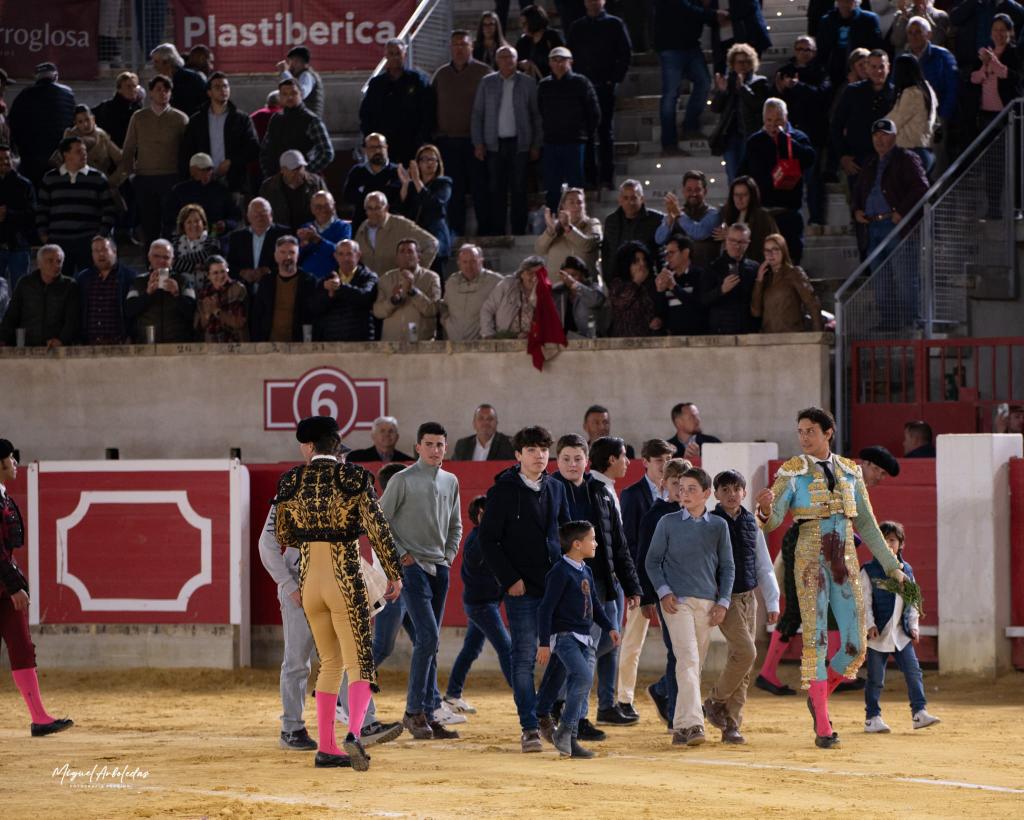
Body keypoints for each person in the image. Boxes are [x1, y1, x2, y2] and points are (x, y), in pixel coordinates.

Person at [756, 407, 908, 748]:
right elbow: (774, 519)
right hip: (809, 557)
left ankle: (818, 696)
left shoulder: (850, 472)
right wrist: (765, 509)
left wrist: (890, 565)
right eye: (800, 431)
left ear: (828, 433)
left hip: (844, 560)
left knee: (855, 645)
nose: (804, 437)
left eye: (810, 430)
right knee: (817, 638)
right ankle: (823, 725)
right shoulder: (792, 472)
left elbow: (867, 524)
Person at [273, 415, 404, 769]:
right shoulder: (355, 477)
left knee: (329, 663)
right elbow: (378, 529)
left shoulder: (291, 481)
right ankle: (354, 735)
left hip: (308, 581)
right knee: (359, 661)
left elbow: (282, 535)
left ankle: (326, 748)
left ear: (309, 447)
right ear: (336, 445)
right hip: (344, 577)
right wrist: (393, 573)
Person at [480, 425, 571, 752]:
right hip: (522, 589)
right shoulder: (503, 491)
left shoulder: (556, 488)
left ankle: (542, 710)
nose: (539, 455)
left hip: (555, 586)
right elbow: (488, 541)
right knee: (523, 659)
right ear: (518, 455)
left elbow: (565, 535)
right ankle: (530, 727)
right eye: (532, 450)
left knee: (565, 652)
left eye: (544, 449)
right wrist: (509, 579)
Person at [551, 436, 642, 729]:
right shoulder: (550, 490)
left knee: (604, 642)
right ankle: (575, 715)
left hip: (602, 581)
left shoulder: (600, 491)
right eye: (566, 459)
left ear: (586, 461)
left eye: (577, 459)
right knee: (586, 649)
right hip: (568, 585)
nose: (572, 464)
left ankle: (558, 698)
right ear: (557, 461)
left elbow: (617, 542)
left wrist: (631, 585)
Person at [380, 422, 463, 740]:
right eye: (429, 444)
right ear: (417, 447)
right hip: (411, 568)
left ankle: (425, 712)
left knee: (430, 642)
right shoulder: (401, 481)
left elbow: (455, 525)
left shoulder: (450, 481)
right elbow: (379, 521)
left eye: (440, 444)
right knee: (428, 638)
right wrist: (401, 554)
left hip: (439, 568)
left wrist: (449, 556)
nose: (435, 450)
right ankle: (415, 712)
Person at [645, 466, 735, 746]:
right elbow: (652, 561)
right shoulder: (667, 522)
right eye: (681, 489)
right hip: (677, 602)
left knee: (693, 666)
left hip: (707, 603)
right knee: (688, 659)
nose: (684, 494)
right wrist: (663, 592)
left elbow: (728, 567)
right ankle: (694, 724)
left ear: (707, 494)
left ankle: (681, 727)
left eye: (691, 489)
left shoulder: (718, 526)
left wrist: (723, 601)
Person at [0, 439, 73, 737]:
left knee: (22, 648)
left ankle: (39, 717)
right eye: (9, 458)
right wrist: (16, 584)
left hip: (4, 587)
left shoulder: (3, 496)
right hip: (5, 585)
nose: (15, 462)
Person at [702, 470, 780, 744]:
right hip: (726, 598)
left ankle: (731, 725)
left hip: (748, 597)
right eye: (726, 490)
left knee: (743, 661)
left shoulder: (750, 522)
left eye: (737, 489)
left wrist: (771, 600)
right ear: (716, 494)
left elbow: (763, 564)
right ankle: (715, 700)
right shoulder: (710, 522)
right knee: (746, 652)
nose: (732, 494)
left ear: (744, 493)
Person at [537, 520, 621, 758]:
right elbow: (545, 609)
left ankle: (569, 738)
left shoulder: (586, 569)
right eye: (591, 539)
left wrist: (609, 627)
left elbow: (594, 602)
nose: (595, 543)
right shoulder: (560, 572)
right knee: (582, 677)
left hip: (585, 638)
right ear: (576, 544)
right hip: (565, 637)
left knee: (578, 682)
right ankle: (565, 730)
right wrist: (544, 643)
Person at [862, 520, 941, 732]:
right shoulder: (869, 571)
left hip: (900, 632)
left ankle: (919, 712)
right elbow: (864, 602)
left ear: (901, 544)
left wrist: (914, 626)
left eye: (892, 540)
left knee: (913, 672)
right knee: (876, 679)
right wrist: (869, 625)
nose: (888, 545)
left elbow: (914, 600)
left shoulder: (907, 569)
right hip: (879, 634)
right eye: (884, 540)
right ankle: (872, 717)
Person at [614, 439, 674, 717]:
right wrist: (638, 586)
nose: (664, 465)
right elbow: (630, 545)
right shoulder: (632, 495)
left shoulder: (676, 493)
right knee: (633, 640)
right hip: (641, 580)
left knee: (678, 642)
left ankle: (668, 692)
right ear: (646, 462)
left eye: (668, 460)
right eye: (659, 460)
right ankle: (624, 699)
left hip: (671, 580)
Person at [445, 495, 513, 713]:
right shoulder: (479, 541)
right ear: (482, 515)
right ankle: (526, 696)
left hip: (482, 603)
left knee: (471, 649)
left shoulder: (485, 539)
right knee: (506, 647)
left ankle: (452, 695)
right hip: (481, 605)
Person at [637, 457, 691, 727]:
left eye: (685, 484)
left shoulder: (694, 514)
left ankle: (662, 691)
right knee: (678, 651)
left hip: (692, 592)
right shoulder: (654, 516)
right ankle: (674, 711)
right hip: (666, 593)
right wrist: (647, 597)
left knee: (685, 651)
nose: (680, 490)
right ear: (664, 484)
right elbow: (645, 559)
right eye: (675, 484)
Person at [851, 118, 929, 306]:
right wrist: (856, 211)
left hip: (896, 226)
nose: (879, 139)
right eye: (876, 135)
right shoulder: (870, 163)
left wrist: (901, 212)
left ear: (894, 137)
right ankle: (886, 322)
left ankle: (911, 322)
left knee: (904, 278)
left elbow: (921, 187)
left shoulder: (906, 158)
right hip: (872, 226)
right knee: (880, 279)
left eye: (884, 135)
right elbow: (858, 192)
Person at [470, 46, 542, 236]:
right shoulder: (487, 83)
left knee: (519, 189)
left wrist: (535, 144)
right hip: (494, 145)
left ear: (516, 60)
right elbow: (478, 114)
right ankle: (498, 231)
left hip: (520, 144)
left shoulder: (527, 83)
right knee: (496, 190)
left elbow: (536, 115)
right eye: (502, 57)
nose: (506, 60)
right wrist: (478, 142)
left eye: (510, 57)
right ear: (497, 60)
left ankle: (519, 230)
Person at [116, 75, 189, 247]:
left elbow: (186, 150)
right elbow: (129, 148)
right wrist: (129, 175)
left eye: (166, 90)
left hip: (171, 178)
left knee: (170, 227)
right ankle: (151, 267)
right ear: (150, 93)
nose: (162, 93)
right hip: (145, 179)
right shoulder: (139, 117)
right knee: (149, 227)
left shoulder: (180, 119)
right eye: (158, 90)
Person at [741, 98, 815, 264]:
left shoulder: (798, 137)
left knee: (792, 258)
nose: (773, 125)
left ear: (786, 117)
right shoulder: (755, 141)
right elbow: (744, 173)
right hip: (763, 212)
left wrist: (786, 140)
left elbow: (810, 158)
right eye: (769, 120)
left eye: (778, 120)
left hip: (789, 210)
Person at [568, 0, 633, 190]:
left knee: (605, 132)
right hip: (583, 87)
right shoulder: (577, 27)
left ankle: (606, 177)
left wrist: (613, 79)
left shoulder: (614, 24)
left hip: (605, 86)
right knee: (585, 134)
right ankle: (589, 178)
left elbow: (625, 53)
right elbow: (571, 55)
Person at [433, 31, 491, 237]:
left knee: (480, 189)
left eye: (463, 45)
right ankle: (455, 232)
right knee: (453, 192)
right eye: (455, 44)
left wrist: (483, 141)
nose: (459, 48)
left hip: (476, 142)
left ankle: (486, 231)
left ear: (472, 47)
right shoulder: (441, 74)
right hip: (448, 142)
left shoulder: (483, 72)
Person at [36, 136, 117, 275]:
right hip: (59, 241)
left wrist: (101, 235)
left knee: (89, 282)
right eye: (79, 151)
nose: (84, 154)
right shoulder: (50, 178)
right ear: (65, 154)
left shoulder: (97, 178)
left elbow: (109, 209)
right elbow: (42, 209)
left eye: (85, 151)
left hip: (88, 240)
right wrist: (43, 235)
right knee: (61, 285)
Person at [775, 37, 831, 232]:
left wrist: (798, 87)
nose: (803, 52)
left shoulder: (820, 70)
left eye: (807, 49)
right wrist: (781, 89)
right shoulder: (785, 70)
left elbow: (822, 95)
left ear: (814, 52)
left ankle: (815, 218)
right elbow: (777, 100)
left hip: (812, 134)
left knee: (813, 178)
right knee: (788, 180)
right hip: (789, 134)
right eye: (799, 48)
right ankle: (788, 218)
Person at [536, 47, 601, 212]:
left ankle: (578, 221)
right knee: (552, 187)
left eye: (562, 60)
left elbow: (593, 112)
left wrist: (584, 133)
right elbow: (540, 111)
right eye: (555, 60)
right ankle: (553, 223)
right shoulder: (544, 85)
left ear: (570, 61)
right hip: (551, 142)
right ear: (550, 63)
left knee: (576, 186)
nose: (558, 64)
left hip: (574, 142)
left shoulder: (581, 83)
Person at [179, 72, 260, 196]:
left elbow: (253, 147)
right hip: (204, 179)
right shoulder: (197, 120)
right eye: (217, 87)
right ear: (209, 92)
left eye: (225, 86)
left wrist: (231, 162)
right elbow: (187, 150)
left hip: (234, 180)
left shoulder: (241, 119)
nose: (223, 90)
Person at [653, 0, 717, 155]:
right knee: (671, 95)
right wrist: (712, 14)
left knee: (704, 83)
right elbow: (683, 8)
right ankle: (669, 143)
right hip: (670, 46)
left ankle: (690, 126)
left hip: (691, 45)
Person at [359, 39, 436, 166]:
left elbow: (428, 112)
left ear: (404, 54)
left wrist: (422, 139)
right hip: (385, 147)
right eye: (391, 53)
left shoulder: (418, 80)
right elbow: (366, 114)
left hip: (412, 145)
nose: (395, 57)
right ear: (386, 56)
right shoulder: (376, 84)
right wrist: (370, 140)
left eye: (398, 53)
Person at [832, 49, 895, 196]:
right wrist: (843, 156)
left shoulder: (896, 94)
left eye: (881, 66)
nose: (878, 71)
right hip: (857, 163)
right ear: (866, 68)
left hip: (887, 163)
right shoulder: (852, 92)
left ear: (888, 67)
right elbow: (836, 125)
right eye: (873, 66)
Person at [901, 17, 958, 172]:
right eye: (910, 33)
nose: (914, 36)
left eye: (918, 32)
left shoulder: (942, 56)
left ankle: (939, 195)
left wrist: (942, 116)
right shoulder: (903, 58)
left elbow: (953, 89)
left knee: (937, 162)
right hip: (909, 119)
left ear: (929, 34)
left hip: (935, 118)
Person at [7, 62, 76, 188]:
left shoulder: (24, 95)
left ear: (37, 77)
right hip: (60, 157)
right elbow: (73, 125)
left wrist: (22, 148)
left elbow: (13, 125)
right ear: (55, 76)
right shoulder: (68, 94)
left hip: (31, 158)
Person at [709, 43, 770, 181]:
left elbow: (759, 106)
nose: (743, 65)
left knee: (748, 175)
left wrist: (743, 89)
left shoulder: (760, 82)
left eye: (747, 61)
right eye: (740, 62)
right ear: (733, 64)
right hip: (730, 135)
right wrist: (722, 92)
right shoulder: (728, 82)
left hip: (749, 134)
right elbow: (715, 108)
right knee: (732, 174)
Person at [0, 245, 79, 347]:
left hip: (56, 347)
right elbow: (12, 314)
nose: (56, 265)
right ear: (39, 264)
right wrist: (2, 338)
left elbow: (72, 319)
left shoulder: (70, 286)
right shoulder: (25, 283)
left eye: (59, 261)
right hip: (27, 346)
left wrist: (62, 340)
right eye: (50, 261)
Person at [259, 78, 334, 181]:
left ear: (301, 95)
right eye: (284, 94)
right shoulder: (275, 119)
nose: (289, 97)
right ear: (280, 97)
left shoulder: (311, 120)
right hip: (279, 182)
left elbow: (327, 152)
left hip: (306, 183)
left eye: (293, 93)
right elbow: (265, 151)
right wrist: (270, 175)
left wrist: (305, 172)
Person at [125, 239, 196, 343]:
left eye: (166, 257)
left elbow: (192, 312)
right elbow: (129, 310)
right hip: (146, 343)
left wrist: (177, 295)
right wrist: (147, 294)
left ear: (172, 260)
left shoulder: (183, 281)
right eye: (156, 256)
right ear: (149, 257)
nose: (161, 261)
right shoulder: (138, 282)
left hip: (177, 344)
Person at [353, 192, 439, 278]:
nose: (373, 212)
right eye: (370, 208)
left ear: (386, 208)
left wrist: (415, 272)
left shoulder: (402, 225)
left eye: (378, 208)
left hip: (396, 285)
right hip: (371, 285)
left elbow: (432, 243)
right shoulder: (363, 228)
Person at [249, 235, 318, 343]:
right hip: (268, 343)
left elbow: (312, 315)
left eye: (292, 252)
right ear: (275, 256)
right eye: (283, 252)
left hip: (298, 343)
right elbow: (257, 314)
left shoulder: (309, 281)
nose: (288, 257)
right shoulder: (266, 281)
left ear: (298, 255)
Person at [398, 144, 453, 276]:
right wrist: (406, 184)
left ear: (438, 163)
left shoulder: (444, 183)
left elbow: (434, 204)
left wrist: (416, 180)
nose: (428, 163)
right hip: (415, 238)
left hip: (435, 236)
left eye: (432, 159)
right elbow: (402, 209)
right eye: (424, 159)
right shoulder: (412, 185)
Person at [372, 239, 442, 341]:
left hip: (420, 341)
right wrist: (393, 300)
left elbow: (432, 310)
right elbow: (378, 311)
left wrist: (413, 291)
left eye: (410, 251)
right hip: (392, 343)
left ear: (418, 257)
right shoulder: (386, 278)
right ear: (396, 258)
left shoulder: (431, 278)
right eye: (402, 252)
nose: (406, 255)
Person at [752, 233, 824, 333]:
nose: (770, 254)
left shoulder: (794, 273)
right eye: (767, 250)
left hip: (792, 335)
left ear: (783, 250)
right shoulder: (766, 278)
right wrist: (759, 281)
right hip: (769, 338)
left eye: (775, 249)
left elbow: (812, 303)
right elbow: (756, 312)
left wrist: (818, 335)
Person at [311, 239, 378, 342]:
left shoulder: (369, 276)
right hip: (332, 340)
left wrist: (340, 287)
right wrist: (329, 295)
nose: (345, 258)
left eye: (349, 254)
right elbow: (315, 308)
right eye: (341, 254)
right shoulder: (325, 280)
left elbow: (365, 297)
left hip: (361, 340)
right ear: (335, 256)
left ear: (358, 255)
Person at [165, 153, 243, 239]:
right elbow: (170, 221)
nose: (206, 173)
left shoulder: (221, 190)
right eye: (202, 170)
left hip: (215, 238)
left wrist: (226, 224)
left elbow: (235, 216)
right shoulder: (179, 191)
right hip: (187, 241)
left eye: (209, 170)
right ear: (192, 170)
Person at [654, 171, 722, 268]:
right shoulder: (676, 212)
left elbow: (699, 233)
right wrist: (669, 219)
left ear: (705, 191)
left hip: (705, 272)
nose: (693, 194)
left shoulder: (713, 214)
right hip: (679, 274)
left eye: (697, 190)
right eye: (689, 190)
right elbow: (659, 239)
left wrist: (678, 214)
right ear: (683, 191)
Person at [700, 223, 759, 334]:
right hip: (721, 330)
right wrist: (721, 290)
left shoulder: (754, 267)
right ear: (726, 240)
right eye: (732, 240)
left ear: (748, 243)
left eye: (741, 242)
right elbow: (703, 300)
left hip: (748, 329)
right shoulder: (712, 267)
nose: (736, 245)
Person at [76, 236, 136, 346]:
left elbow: (133, 310)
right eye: (96, 251)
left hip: (119, 343)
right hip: (89, 344)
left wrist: (130, 335)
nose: (100, 254)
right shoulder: (83, 278)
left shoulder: (129, 277)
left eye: (104, 250)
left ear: (114, 251)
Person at [439, 245, 503, 342]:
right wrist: (446, 323)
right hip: (455, 344)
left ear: (481, 261)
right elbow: (445, 306)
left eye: (473, 261)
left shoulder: (496, 281)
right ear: (459, 263)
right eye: (465, 262)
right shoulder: (451, 282)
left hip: (483, 344)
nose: (469, 266)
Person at [887, 54, 938, 173]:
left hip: (912, 153)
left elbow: (895, 122)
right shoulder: (926, 88)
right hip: (925, 150)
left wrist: (873, 126)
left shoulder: (911, 94)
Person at [817, 0, 885, 88]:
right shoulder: (827, 21)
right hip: (834, 71)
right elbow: (822, 51)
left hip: (861, 70)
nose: (845, 4)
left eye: (849, 1)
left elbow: (876, 48)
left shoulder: (868, 19)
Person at [224, 198, 290, 289]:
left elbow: (291, 262)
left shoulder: (285, 234)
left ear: (271, 215)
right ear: (248, 216)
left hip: (275, 289)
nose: (259, 216)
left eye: (263, 212)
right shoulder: (236, 237)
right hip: (244, 293)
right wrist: (242, 273)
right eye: (255, 213)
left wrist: (269, 271)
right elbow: (229, 265)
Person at [342, 133, 402, 232]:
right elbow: (348, 196)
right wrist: (383, 189)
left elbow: (397, 199)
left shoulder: (397, 172)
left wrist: (365, 191)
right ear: (365, 150)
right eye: (372, 147)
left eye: (380, 146)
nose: (377, 150)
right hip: (362, 227)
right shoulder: (357, 171)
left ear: (386, 147)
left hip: (390, 228)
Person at [535, 187, 602, 275]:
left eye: (579, 202)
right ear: (563, 206)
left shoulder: (592, 223)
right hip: (556, 285)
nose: (576, 205)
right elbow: (539, 250)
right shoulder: (555, 227)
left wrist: (568, 228)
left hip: (584, 285)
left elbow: (588, 245)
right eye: (571, 202)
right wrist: (550, 231)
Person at [601, 180, 664, 272]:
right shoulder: (611, 221)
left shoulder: (656, 219)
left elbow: (661, 252)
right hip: (619, 277)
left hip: (647, 277)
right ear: (620, 200)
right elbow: (606, 252)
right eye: (625, 198)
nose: (630, 202)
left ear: (642, 199)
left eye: (634, 198)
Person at [258, 150, 327, 234]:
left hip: (311, 233)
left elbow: (328, 208)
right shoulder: (268, 187)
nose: (298, 173)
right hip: (280, 235)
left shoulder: (316, 183)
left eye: (300, 168)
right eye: (293, 169)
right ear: (283, 170)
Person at [714, 176, 778, 265]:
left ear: (752, 196)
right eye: (736, 195)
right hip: (730, 266)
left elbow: (774, 244)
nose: (739, 199)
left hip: (756, 266)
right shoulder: (726, 214)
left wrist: (733, 236)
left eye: (744, 195)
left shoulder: (763, 217)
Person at [49, 105, 122, 181]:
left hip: (101, 181)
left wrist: (114, 180)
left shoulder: (102, 136)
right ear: (76, 123)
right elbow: (56, 160)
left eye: (87, 119)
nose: (85, 124)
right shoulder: (70, 137)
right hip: (77, 182)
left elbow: (120, 158)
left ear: (93, 119)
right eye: (80, 122)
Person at [0, 145, 37, 291]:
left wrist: (8, 213)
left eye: (7, 158)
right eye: (0, 159)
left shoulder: (24, 185)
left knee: (20, 293)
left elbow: (33, 214)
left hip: (19, 247)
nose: (5, 162)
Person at [608, 241, 662, 337]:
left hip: (648, 342)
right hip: (625, 343)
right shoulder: (617, 284)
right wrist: (636, 282)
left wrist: (657, 320)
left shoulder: (650, 284)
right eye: (636, 261)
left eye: (644, 260)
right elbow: (621, 303)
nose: (642, 264)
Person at [655, 234, 706, 336]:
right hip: (672, 339)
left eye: (672, 253)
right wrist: (659, 291)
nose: (667, 257)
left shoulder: (700, 275)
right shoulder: (668, 277)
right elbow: (662, 313)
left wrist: (674, 287)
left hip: (696, 338)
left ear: (686, 253)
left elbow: (700, 306)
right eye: (666, 253)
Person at [480, 255, 542, 338]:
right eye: (530, 273)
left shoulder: (547, 292)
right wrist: (488, 334)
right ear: (522, 274)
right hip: (506, 340)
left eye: (539, 274)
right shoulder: (507, 285)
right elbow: (487, 309)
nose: (534, 278)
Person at [297, 191, 353, 281]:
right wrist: (303, 245)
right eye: (318, 207)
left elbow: (342, 254)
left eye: (326, 205)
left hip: (332, 280)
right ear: (312, 209)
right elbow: (296, 257)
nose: (323, 210)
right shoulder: (306, 228)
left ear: (333, 206)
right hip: (306, 279)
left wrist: (318, 240)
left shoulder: (343, 227)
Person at [194, 255, 248, 343]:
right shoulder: (204, 293)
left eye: (223, 271)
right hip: (211, 346)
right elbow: (198, 326)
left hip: (234, 345)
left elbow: (239, 322)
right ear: (208, 275)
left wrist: (216, 310)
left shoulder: (238, 289)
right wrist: (207, 315)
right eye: (215, 273)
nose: (221, 276)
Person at [552, 255, 608, 338]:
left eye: (573, 275)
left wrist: (575, 285)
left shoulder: (592, 288)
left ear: (583, 275)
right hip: (563, 341)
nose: (568, 278)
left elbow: (596, 300)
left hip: (588, 340)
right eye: (566, 275)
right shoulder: (558, 291)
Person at [171, 204, 222, 290]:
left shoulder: (212, 241)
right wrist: (195, 267)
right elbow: (172, 263)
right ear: (183, 225)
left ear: (203, 223)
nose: (194, 225)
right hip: (183, 290)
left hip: (209, 290)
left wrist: (181, 260)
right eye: (189, 222)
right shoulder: (176, 242)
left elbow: (206, 257)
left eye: (197, 221)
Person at [150, 43, 207, 117]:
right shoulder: (161, 82)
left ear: (167, 62)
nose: (154, 66)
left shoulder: (192, 78)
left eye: (156, 62)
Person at [514, 5, 566, 80]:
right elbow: (517, 62)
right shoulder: (523, 41)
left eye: (525, 23)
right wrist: (522, 65)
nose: (523, 27)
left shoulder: (553, 37)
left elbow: (561, 60)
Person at [93, 72, 143, 149]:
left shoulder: (137, 108)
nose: (133, 89)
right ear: (119, 89)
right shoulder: (108, 107)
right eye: (128, 86)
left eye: (134, 86)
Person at [277, 46, 325, 120]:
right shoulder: (298, 76)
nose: (291, 65)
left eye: (295, 61)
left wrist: (285, 73)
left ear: (304, 64)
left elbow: (301, 93)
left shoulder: (307, 75)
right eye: (290, 61)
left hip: (308, 122)